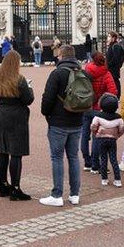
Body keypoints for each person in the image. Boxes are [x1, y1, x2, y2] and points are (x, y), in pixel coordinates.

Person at [39, 45, 90, 207]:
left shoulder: (57, 74)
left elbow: (48, 99)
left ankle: (57, 194)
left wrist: (46, 113)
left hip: (58, 122)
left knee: (57, 158)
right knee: (74, 157)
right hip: (77, 121)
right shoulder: (83, 73)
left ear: (61, 56)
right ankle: (75, 194)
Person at [0, 51, 33, 201]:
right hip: (17, 114)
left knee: (2, 150)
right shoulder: (19, 79)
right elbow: (28, 100)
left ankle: (3, 185)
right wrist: (29, 87)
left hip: (1, 113)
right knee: (16, 152)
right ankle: (15, 188)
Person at [83, 52, 117, 173]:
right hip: (98, 108)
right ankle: (95, 164)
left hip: (86, 105)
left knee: (84, 135)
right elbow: (113, 91)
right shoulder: (106, 73)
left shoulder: (87, 69)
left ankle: (87, 162)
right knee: (96, 136)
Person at [90, 93, 124, 187]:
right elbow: (122, 129)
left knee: (103, 158)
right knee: (113, 158)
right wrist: (117, 135)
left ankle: (104, 179)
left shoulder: (98, 117)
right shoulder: (118, 118)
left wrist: (96, 134)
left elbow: (93, 127)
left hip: (101, 139)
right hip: (112, 140)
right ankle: (118, 180)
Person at [105, 32, 124, 96]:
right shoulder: (111, 45)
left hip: (113, 68)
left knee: (115, 81)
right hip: (111, 68)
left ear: (113, 38)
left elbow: (116, 58)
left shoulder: (116, 46)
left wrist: (110, 64)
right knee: (113, 81)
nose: (107, 38)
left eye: (109, 36)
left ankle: (117, 95)